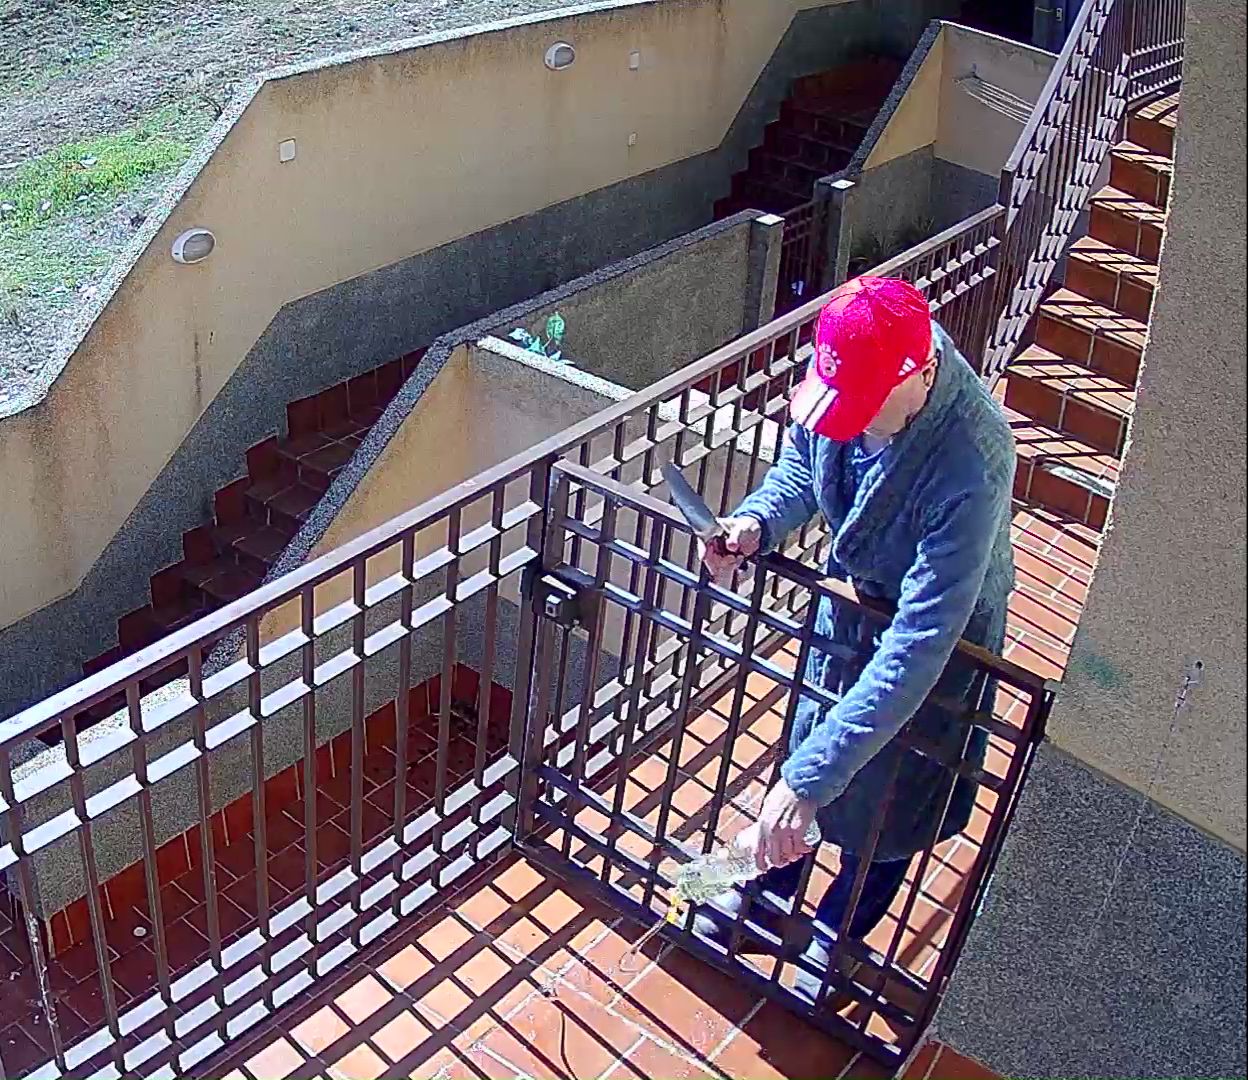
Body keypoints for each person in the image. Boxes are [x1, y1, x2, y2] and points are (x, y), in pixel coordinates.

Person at [694, 275, 1016, 1001]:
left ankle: (839, 937)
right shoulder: (850, 386)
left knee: (893, 807)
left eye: (865, 410)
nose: (852, 424)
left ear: (923, 372)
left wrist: (809, 780)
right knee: (808, 761)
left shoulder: (975, 458)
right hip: (855, 609)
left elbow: (922, 638)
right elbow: (803, 469)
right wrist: (756, 523)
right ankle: (757, 900)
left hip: (938, 638)